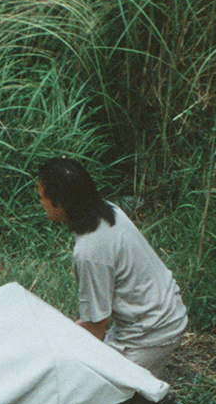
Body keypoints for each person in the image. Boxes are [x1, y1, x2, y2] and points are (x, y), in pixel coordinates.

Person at [35, 158, 188, 376]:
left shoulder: (89, 252)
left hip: (152, 331)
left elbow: (96, 328)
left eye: (42, 198)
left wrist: (49, 342)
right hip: (168, 309)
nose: (41, 203)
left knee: (89, 386)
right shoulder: (108, 210)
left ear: (59, 202)